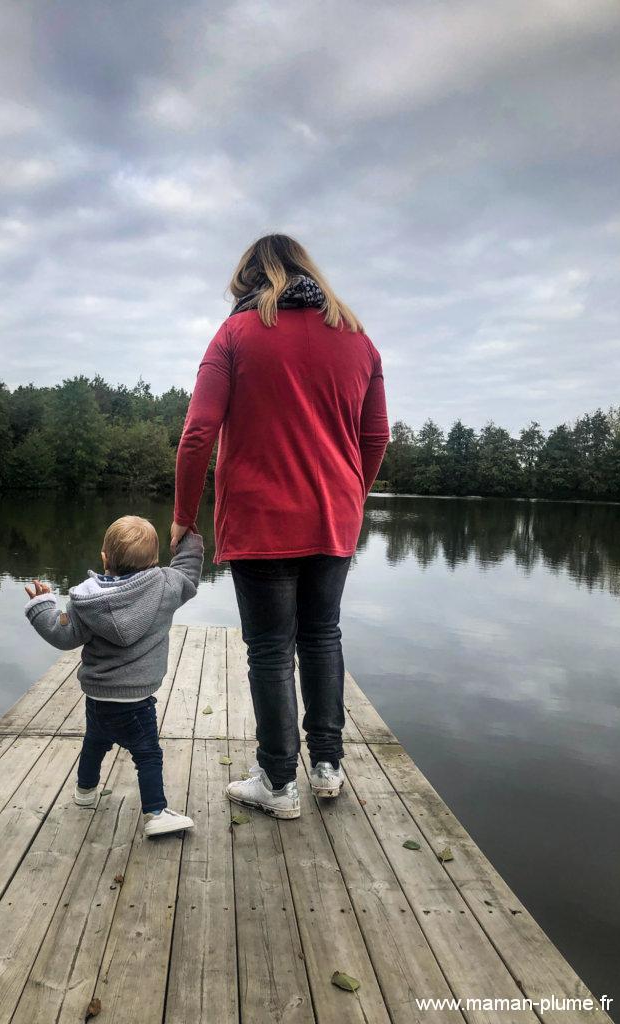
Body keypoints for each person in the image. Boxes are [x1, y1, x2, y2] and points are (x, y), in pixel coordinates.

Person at [171, 234, 389, 820]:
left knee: (270, 650)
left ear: (249, 278)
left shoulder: (235, 334)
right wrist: (351, 494)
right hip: (334, 516)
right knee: (323, 637)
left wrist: (183, 518)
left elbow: (197, 434)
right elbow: (377, 438)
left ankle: (275, 780)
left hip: (261, 517)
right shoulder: (359, 339)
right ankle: (326, 767)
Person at [24, 515, 203, 837]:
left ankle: (85, 793)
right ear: (154, 560)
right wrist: (187, 536)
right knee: (147, 753)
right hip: (136, 699)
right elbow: (188, 572)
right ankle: (156, 812)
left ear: (104, 557)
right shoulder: (165, 586)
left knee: (95, 742)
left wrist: (41, 604)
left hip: (97, 695)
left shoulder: (85, 598)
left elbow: (63, 636)